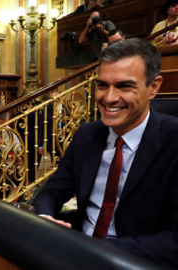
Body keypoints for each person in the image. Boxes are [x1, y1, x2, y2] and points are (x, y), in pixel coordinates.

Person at [33, 38, 178, 268]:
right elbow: (52, 192)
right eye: (102, 85)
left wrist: (95, 250)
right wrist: (43, 220)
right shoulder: (86, 135)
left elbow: (174, 241)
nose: (108, 98)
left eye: (124, 86)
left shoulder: (174, 141)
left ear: (154, 87)